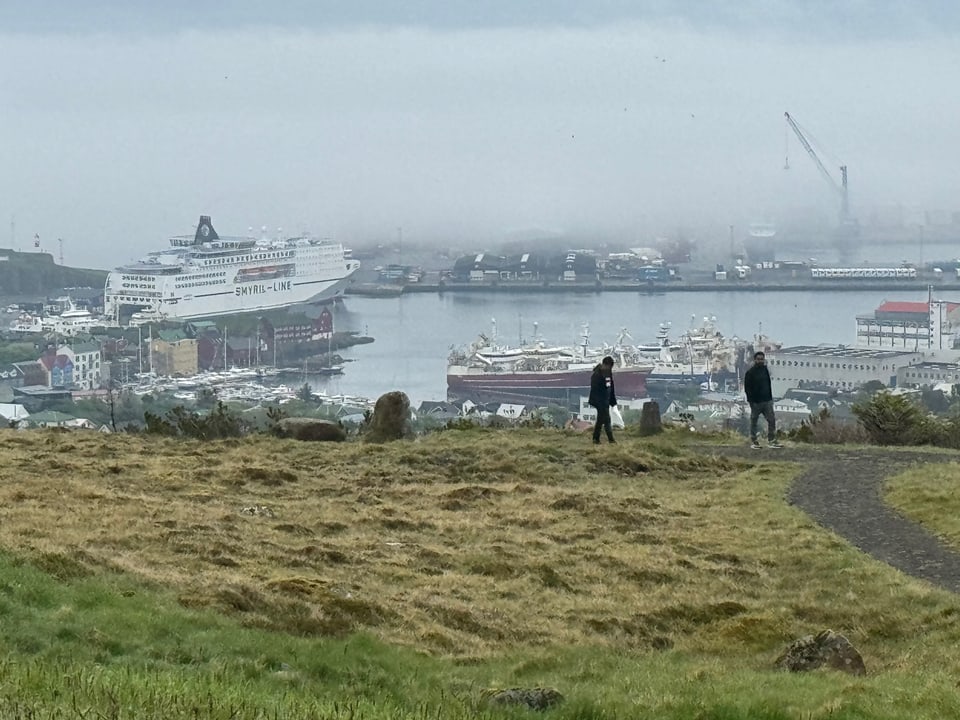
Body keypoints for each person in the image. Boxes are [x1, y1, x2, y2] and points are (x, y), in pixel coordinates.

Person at [743, 350, 781, 449]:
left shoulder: (765, 370)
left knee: (771, 420)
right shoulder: (750, 373)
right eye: (758, 359)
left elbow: (768, 385)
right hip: (756, 402)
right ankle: (754, 441)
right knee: (754, 421)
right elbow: (747, 389)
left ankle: (771, 440)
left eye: (762, 359)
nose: (760, 361)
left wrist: (770, 398)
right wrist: (751, 401)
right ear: (755, 360)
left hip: (767, 401)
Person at [589, 355, 618, 444]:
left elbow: (610, 387)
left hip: (605, 400)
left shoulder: (607, 373)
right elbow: (595, 389)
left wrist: (612, 400)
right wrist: (601, 401)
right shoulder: (597, 374)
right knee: (606, 419)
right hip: (599, 401)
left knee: (601, 419)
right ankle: (610, 439)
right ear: (606, 364)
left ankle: (596, 438)